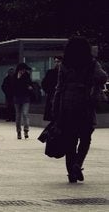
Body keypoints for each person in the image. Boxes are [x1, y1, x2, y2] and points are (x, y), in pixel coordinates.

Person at [51, 37, 107, 183]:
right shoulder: (92, 63)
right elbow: (102, 77)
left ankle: (71, 173)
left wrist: (55, 108)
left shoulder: (64, 65)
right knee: (85, 137)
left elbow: (59, 88)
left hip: (67, 105)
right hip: (85, 103)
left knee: (70, 139)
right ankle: (78, 164)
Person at [12, 63, 33, 139]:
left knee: (25, 114)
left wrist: (30, 87)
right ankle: (18, 132)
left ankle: (26, 130)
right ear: (19, 69)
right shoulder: (14, 76)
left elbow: (30, 83)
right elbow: (13, 86)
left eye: (24, 70)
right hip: (17, 98)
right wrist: (18, 78)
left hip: (25, 98)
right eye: (22, 70)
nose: (23, 71)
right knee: (18, 116)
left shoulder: (27, 75)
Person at [42, 57, 63, 121]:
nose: (57, 63)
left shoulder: (66, 72)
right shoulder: (51, 72)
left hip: (62, 97)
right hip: (52, 96)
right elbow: (44, 83)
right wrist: (50, 90)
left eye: (58, 62)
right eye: (56, 62)